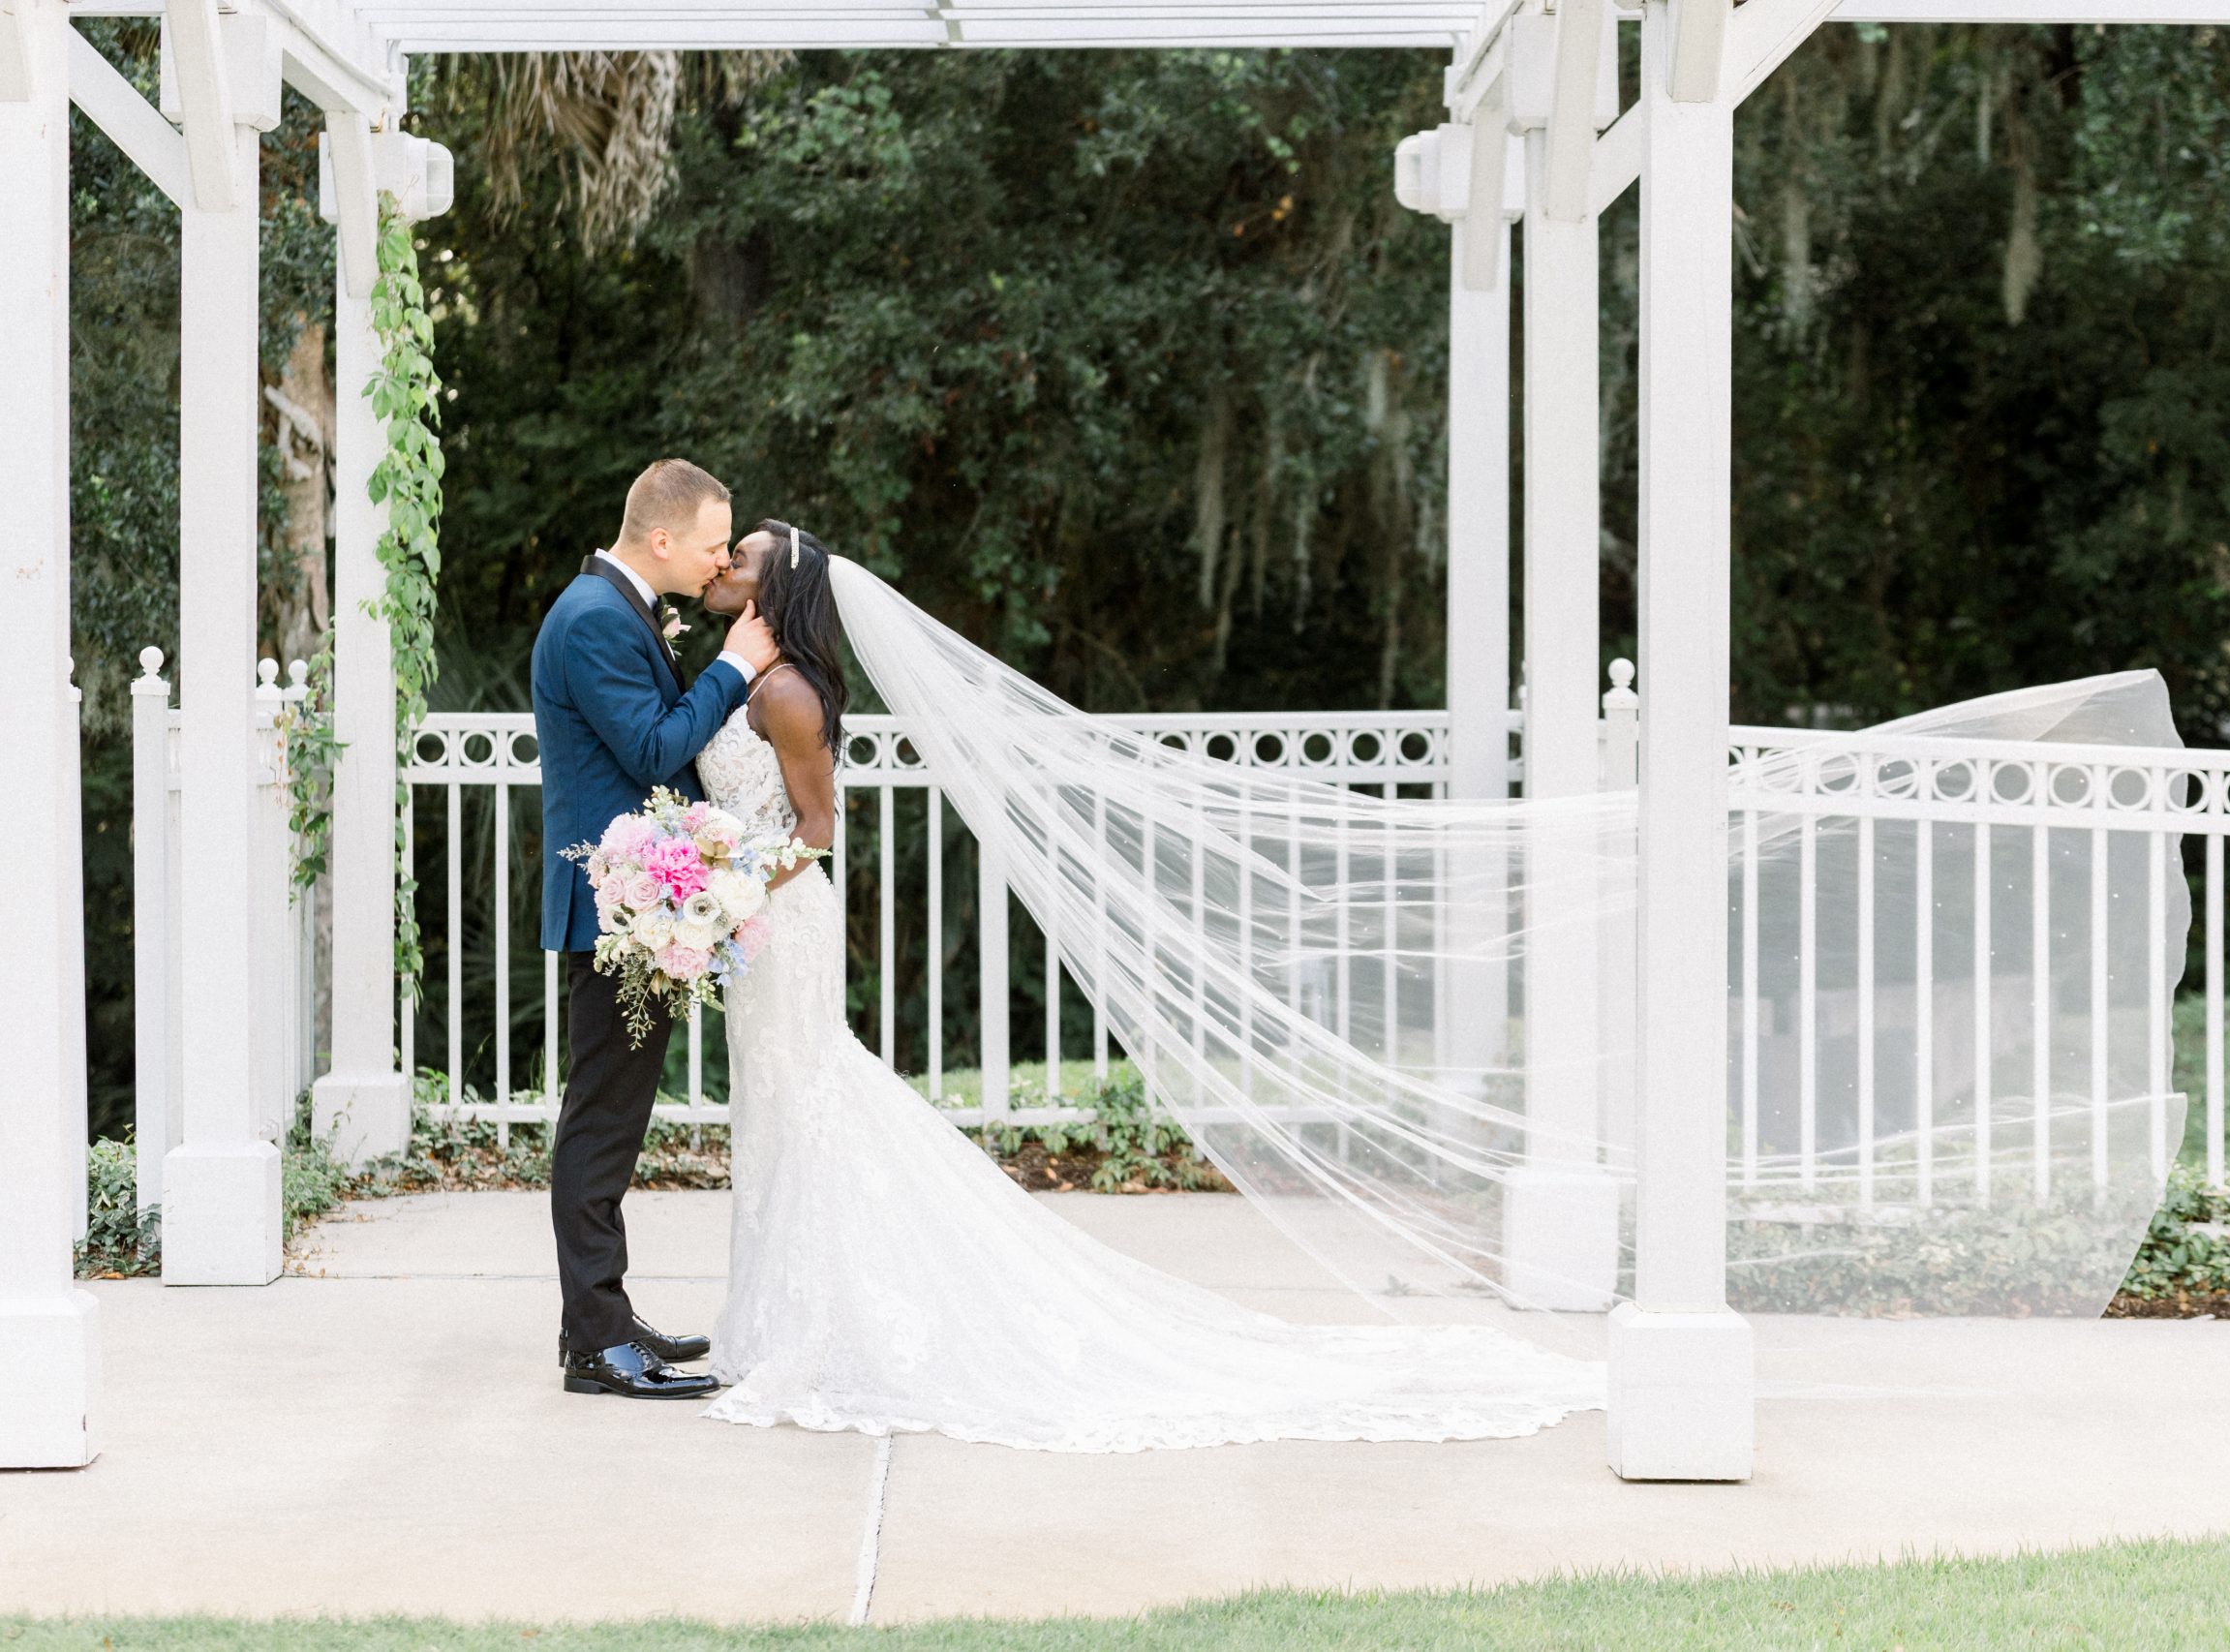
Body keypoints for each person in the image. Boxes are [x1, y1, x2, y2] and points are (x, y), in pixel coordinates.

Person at [687, 522, 1604, 1450]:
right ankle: (780, 1315)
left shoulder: (791, 693)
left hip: (780, 922)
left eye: (744, 558)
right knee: (778, 1108)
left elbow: (815, 829)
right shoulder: (749, 680)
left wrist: (724, 889)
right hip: (754, 925)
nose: (724, 565)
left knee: (809, 1102)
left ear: (783, 589)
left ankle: (819, 1324)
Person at [531, 459, 778, 1400]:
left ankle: (597, 1318)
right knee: (600, 1123)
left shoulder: (613, 607)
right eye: (714, 541)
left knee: (612, 1120)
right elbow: (652, 746)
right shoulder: (594, 618)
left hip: (634, 903)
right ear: (663, 539)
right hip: (614, 909)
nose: (721, 560)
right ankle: (598, 1345)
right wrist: (734, 668)